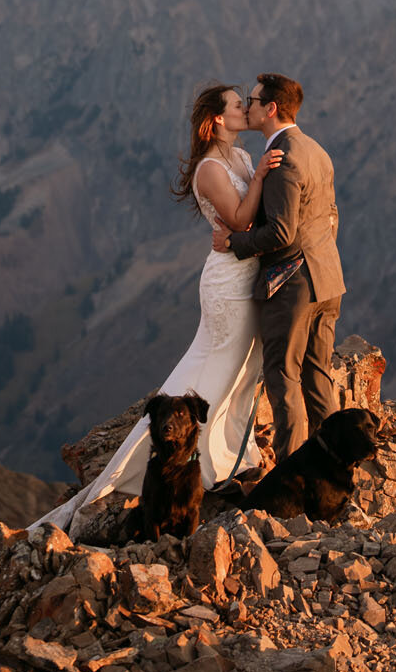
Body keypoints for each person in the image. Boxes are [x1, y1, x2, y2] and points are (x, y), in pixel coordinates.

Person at [32, 82, 281, 537]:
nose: (246, 108)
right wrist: (263, 177)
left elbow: (257, 220)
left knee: (244, 366)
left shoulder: (242, 158)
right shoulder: (211, 168)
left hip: (249, 270)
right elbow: (242, 220)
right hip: (228, 281)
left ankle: (227, 456)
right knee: (217, 366)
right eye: (237, 104)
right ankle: (179, 457)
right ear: (217, 119)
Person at [212, 71, 344, 459]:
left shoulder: (284, 158)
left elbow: (282, 233)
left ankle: (292, 471)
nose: (247, 107)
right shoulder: (316, 150)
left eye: (251, 102)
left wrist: (233, 242)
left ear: (270, 109)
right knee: (318, 376)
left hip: (292, 285)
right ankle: (334, 464)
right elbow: (332, 214)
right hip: (329, 280)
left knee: (283, 376)